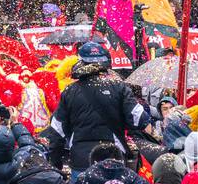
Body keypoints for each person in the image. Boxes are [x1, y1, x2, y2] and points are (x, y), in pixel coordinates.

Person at [45, 41, 150, 172]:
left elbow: (57, 130)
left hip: (81, 160)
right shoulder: (119, 87)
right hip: (113, 157)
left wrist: (55, 164)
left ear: (80, 62)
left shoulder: (69, 91)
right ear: (106, 63)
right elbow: (140, 119)